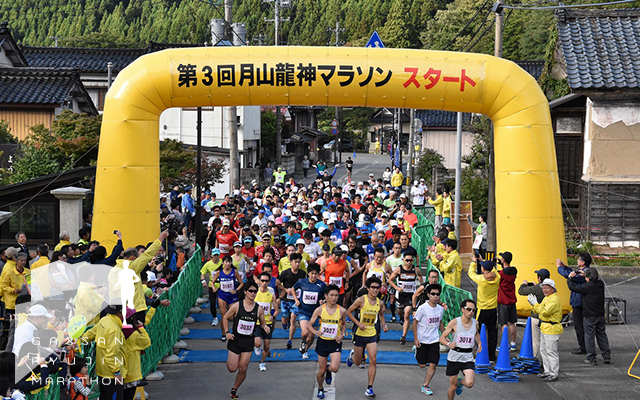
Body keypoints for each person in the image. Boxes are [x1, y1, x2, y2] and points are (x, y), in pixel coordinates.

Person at [222, 282, 269, 400]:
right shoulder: (237, 306)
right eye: (250, 291)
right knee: (232, 368)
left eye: (255, 291)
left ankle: (234, 389)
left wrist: (265, 327)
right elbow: (225, 317)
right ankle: (231, 361)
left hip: (248, 341)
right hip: (235, 339)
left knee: (243, 368)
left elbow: (262, 323)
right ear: (245, 292)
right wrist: (227, 332)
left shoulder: (259, 309)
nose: (253, 293)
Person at [346, 276, 388, 398]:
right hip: (359, 334)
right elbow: (348, 311)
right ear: (368, 288)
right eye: (373, 287)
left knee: (373, 360)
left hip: (371, 334)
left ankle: (370, 387)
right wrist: (358, 323)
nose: (375, 290)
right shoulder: (361, 300)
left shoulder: (380, 303)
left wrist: (384, 325)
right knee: (358, 362)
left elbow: (381, 315)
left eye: (377, 288)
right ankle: (352, 357)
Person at [307, 284, 347, 399]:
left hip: (335, 342)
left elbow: (343, 324)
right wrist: (316, 333)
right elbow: (309, 325)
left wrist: (342, 335)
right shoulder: (320, 310)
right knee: (321, 370)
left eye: (336, 295)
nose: (334, 298)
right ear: (326, 296)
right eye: (331, 295)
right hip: (323, 342)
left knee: (334, 368)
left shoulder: (342, 311)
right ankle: (320, 388)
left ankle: (329, 371)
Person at [82, 304, 127, 400]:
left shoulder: (104, 320)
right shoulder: (114, 330)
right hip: (111, 374)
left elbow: (89, 335)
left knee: (104, 396)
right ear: (120, 313)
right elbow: (111, 355)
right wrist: (117, 372)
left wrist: (79, 339)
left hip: (102, 370)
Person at [567, 268, 611, 365]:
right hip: (600, 314)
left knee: (589, 336)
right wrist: (586, 275)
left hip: (589, 315)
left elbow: (573, 287)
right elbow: (594, 280)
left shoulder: (587, 287)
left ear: (588, 278)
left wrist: (570, 278)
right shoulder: (600, 284)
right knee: (601, 335)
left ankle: (591, 357)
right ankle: (606, 355)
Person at [440, 299, 481, 400]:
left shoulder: (475, 323)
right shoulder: (454, 322)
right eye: (468, 309)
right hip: (454, 357)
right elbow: (442, 338)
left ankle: (460, 382)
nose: (471, 312)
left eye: (473, 310)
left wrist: (479, 343)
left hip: (467, 357)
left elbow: (476, 334)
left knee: (469, 383)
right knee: (452, 387)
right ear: (462, 309)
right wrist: (449, 344)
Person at [527, 278, 563, 382]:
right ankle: (547, 371)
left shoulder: (554, 300)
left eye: (547, 288)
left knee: (551, 352)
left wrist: (535, 305)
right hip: (545, 327)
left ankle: (553, 373)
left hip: (551, 328)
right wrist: (535, 306)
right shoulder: (547, 298)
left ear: (553, 289)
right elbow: (540, 310)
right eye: (544, 287)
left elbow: (545, 312)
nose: (545, 290)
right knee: (544, 350)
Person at [413, 283, 445, 396]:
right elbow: (415, 322)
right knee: (422, 365)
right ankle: (415, 350)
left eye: (437, 294)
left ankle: (425, 385)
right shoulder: (422, 308)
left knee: (433, 364)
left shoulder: (440, 309)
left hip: (434, 340)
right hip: (422, 340)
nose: (435, 296)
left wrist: (444, 335)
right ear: (428, 295)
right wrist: (416, 339)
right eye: (433, 294)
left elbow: (440, 322)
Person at [557, 253, 591, 355]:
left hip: (579, 302)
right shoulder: (587, 271)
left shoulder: (583, 274)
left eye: (579, 259)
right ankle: (586, 346)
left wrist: (559, 268)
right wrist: (565, 267)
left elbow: (570, 276)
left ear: (583, 262)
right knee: (586, 325)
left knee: (579, 325)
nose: (577, 261)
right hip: (585, 302)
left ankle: (583, 346)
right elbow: (572, 273)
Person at [467, 257, 500, 362]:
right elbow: (493, 270)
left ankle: (480, 352)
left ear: (484, 269)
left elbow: (470, 273)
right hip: (493, 309)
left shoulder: (481, 280)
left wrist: (473, 262)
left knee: (478, 332)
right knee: (492, 333)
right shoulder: (497, 277)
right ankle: (491, 356)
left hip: (482, 310)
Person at [387, 253, 423, 345]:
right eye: (407, 260)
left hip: (410, 295)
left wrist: (421, 287)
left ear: (413, 260)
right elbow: (390, 280)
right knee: (400, 312)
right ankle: (400, 317)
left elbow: (420, 277)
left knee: (407, 313)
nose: (409, 262)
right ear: (403, 260)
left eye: (410, 260)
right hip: (400, 294)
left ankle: (403, 336)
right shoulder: (399, 269)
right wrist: (397, 288)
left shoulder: (416, 269)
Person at [294, 263, 327, 359]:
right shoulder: (301, 282)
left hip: (315, 314)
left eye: (316, 274)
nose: (313, 276)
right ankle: (303, 342)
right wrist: (296, 300)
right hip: (303, 312)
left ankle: (305, 349)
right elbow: (293, 289)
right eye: (312, 273)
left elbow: (326, 296)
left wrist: (323, 301)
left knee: (312, 336)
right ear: (308, 273)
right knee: (305, 332)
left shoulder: (321, 285)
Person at [517, 267, 548, 365]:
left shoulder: (536, 289)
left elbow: (521, 291)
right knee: (545, 340)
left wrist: (525, 284)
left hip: (536, 316)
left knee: (536, 339)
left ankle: (536, 358)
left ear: (539, 278)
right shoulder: (550, 288)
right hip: (547, 316)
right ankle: (546, 360)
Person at [211, 255, 244, 341]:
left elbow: (241, 283)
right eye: (226, 262)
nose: (228, 264)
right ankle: (224, 333)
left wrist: (236, 290)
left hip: (232, 296)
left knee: (233, 316)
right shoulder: (219, 272)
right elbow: (212, 282)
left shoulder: (234, 271)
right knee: (224, 315)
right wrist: (214, 288)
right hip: (222, 295)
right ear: (223, 263)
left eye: (229, 262)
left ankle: (235, 331)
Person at [279, 253, 307, 349]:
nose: (297, 264)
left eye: (299, 262)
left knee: (293, 319)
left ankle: (290, 340)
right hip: (286, 300)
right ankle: (284, 323)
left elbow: (304, 285)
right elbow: (278, 283)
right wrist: (285, 289)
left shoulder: (302, 274)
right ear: (291, 262)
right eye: (295, 262)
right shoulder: (285, 273)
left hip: (296, 301)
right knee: (285, 318)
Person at [255, 272, 279, 371]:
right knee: (257, 343)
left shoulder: (271, 295)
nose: (264, 283)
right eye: (262, 280)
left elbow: (277, 310)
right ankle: (256, 346)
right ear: (259, 281)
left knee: (267, 345)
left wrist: (272, 316)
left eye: (266, 281)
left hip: (267, 323)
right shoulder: (254, 293)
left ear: (269, 282)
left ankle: (262, 362)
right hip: (256, 323)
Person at [496, 251, 518, 351]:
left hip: (503, 301)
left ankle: (504, 344)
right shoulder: (513, 272)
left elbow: (498, 276)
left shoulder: (501, 274)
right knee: (512, 322)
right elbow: (507, 270)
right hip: (512, 301)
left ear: (503, 260)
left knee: (504, 323)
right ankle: (513, 343)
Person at [201, 248, 223, 326]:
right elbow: (202, 274)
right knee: (212, 303)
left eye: (217, 255)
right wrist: (203, 281)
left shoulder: (222, 262)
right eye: (214, 255)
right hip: (212, 286)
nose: (216, 257)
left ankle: (225, 317)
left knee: (222, 303)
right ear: (211, 255)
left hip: (222, 286)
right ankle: (215, 318)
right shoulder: (208, 264)